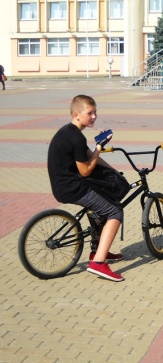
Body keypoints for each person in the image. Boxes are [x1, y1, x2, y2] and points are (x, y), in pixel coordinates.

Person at [47, 95, 125, 282]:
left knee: (99, 208)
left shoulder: (68, 132)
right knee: (115, 211)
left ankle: (98, 251)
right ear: (76, 114)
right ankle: (98, 263)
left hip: (64, 184)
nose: (94, 117)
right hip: (72, 187)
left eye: (95, 112)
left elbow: (88, 155)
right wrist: (99, 147)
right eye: (90, 113)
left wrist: (113, 170)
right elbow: (86, 170)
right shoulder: (76, 138)